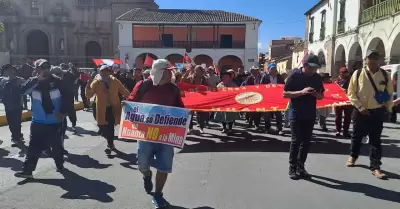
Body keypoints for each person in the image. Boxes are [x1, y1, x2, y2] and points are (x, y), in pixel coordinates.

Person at [126, 59, 184, 208]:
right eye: (168, 70)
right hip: (145, 135)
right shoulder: (143, 85)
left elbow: (179, 108)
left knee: (164, 167)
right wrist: (126, 105)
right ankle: (146, 175)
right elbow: (131, 102)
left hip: (166, 136)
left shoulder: (174, 88)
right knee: (142, 164)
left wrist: (186, 116)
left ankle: (158, 195)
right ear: (159, 71)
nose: (171, 72)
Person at [15, 59, 72, 178]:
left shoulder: (58, 81)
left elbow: (68, 97)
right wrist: (36, 80)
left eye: (46, 67)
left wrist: (62, 112)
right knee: (33, 147)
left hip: (55, 121)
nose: (44, 70)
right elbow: (22, 92)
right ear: (36, 69)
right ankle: (27, 171)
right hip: (38, 121)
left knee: (56, 146)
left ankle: (59, 164)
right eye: (41, 67)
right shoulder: (32, 82)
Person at [346, 50, 393, 179]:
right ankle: (353, 156)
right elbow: (351, 93)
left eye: (375, 58)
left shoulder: (385, 74)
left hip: (377, 111)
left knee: (375, 140)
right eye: (370, 58)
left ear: (379, 60)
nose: (372, 60)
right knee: (356, 136)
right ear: (365, 59)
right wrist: (360, 107)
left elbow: (389, 94)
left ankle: (375, 166)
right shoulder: (358, 74)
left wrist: (388, 110)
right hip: (360, 111)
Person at [283, 54, 324, 180]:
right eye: (312, 68)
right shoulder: (294, 76)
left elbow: (321, 96)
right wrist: (302, 92)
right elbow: (285, 94)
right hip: (296, 113)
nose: (314, 70)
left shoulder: (317, 78)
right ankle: (292, 167)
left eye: (316, 68)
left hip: (310, 114)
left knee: (306, 142)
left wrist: (315, 94)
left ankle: (301, 166)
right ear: (304, 65)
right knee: (296, 140)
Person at [85, 65, 130, 154]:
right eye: (102, 72)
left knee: (110, 127)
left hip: (112, 108)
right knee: (102, 127)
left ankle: (110, 144)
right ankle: (108, 139)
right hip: (101, 109)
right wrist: (87, 86)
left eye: (106, 72)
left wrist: (131, 99)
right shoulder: (96, 83)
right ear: (100, 72)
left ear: (110, 72)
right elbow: (89, 95)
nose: (104, 73)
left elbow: (124, 91)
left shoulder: (115, 81)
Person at [0, 64, 25, 146]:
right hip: (8, 105)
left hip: (17, 105)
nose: (9, 71)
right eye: (8, 70)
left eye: (11, 69)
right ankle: (16, 136)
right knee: (11, 122)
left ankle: (16, 138)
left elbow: (23, 91)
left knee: (17, 122)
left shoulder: (20, 80)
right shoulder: (3, 81)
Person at [181, 65, 210, 134]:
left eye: (200, 70)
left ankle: (201, 127)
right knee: (190, 113)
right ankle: (190, 128)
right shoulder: (191, 78)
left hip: (202, 98)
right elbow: (182, 81)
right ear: (195, 71)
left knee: (201, 114)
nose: (199, 72)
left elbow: (210, 86)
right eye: (197, 70)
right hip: (192, 98)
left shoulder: (205, 79)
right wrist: (186, 73)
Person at [260, 63, 285, 135]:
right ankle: (267, 128)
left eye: (274, 69)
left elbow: (283, 85)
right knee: (266, 114)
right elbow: (261, 87)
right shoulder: (265, 77)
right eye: (272, 69)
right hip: (267, 98)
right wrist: (268, 86)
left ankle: (279, 128)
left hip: (277, 98)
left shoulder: (279, 77)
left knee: (278, 114)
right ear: (269, 70)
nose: (273, 70)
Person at [214, 70, 237, 135]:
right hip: (222, 103)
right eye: (224, 77)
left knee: (231, 116)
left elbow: (237, 92)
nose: (225, 78)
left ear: (229, 78)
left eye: (227, 77)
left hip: (231, 103)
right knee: (222, 116)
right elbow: (216, 93)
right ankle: (224, 128)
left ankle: (230, 128)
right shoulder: (220, 85)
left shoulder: (233, 84)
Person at [334, 67, 353, 137]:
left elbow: (354, 89)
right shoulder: (337, 81)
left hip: (348, 101)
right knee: (338, 117)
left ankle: (346, 132)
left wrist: (347, 91)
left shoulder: (352, 80)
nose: (343, 74)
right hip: (338, 101)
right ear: (340, 73)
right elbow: (333, 91)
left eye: (345, 72)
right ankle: (338, 130)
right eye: (342, 72)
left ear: (347, 73)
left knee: (347, 117)